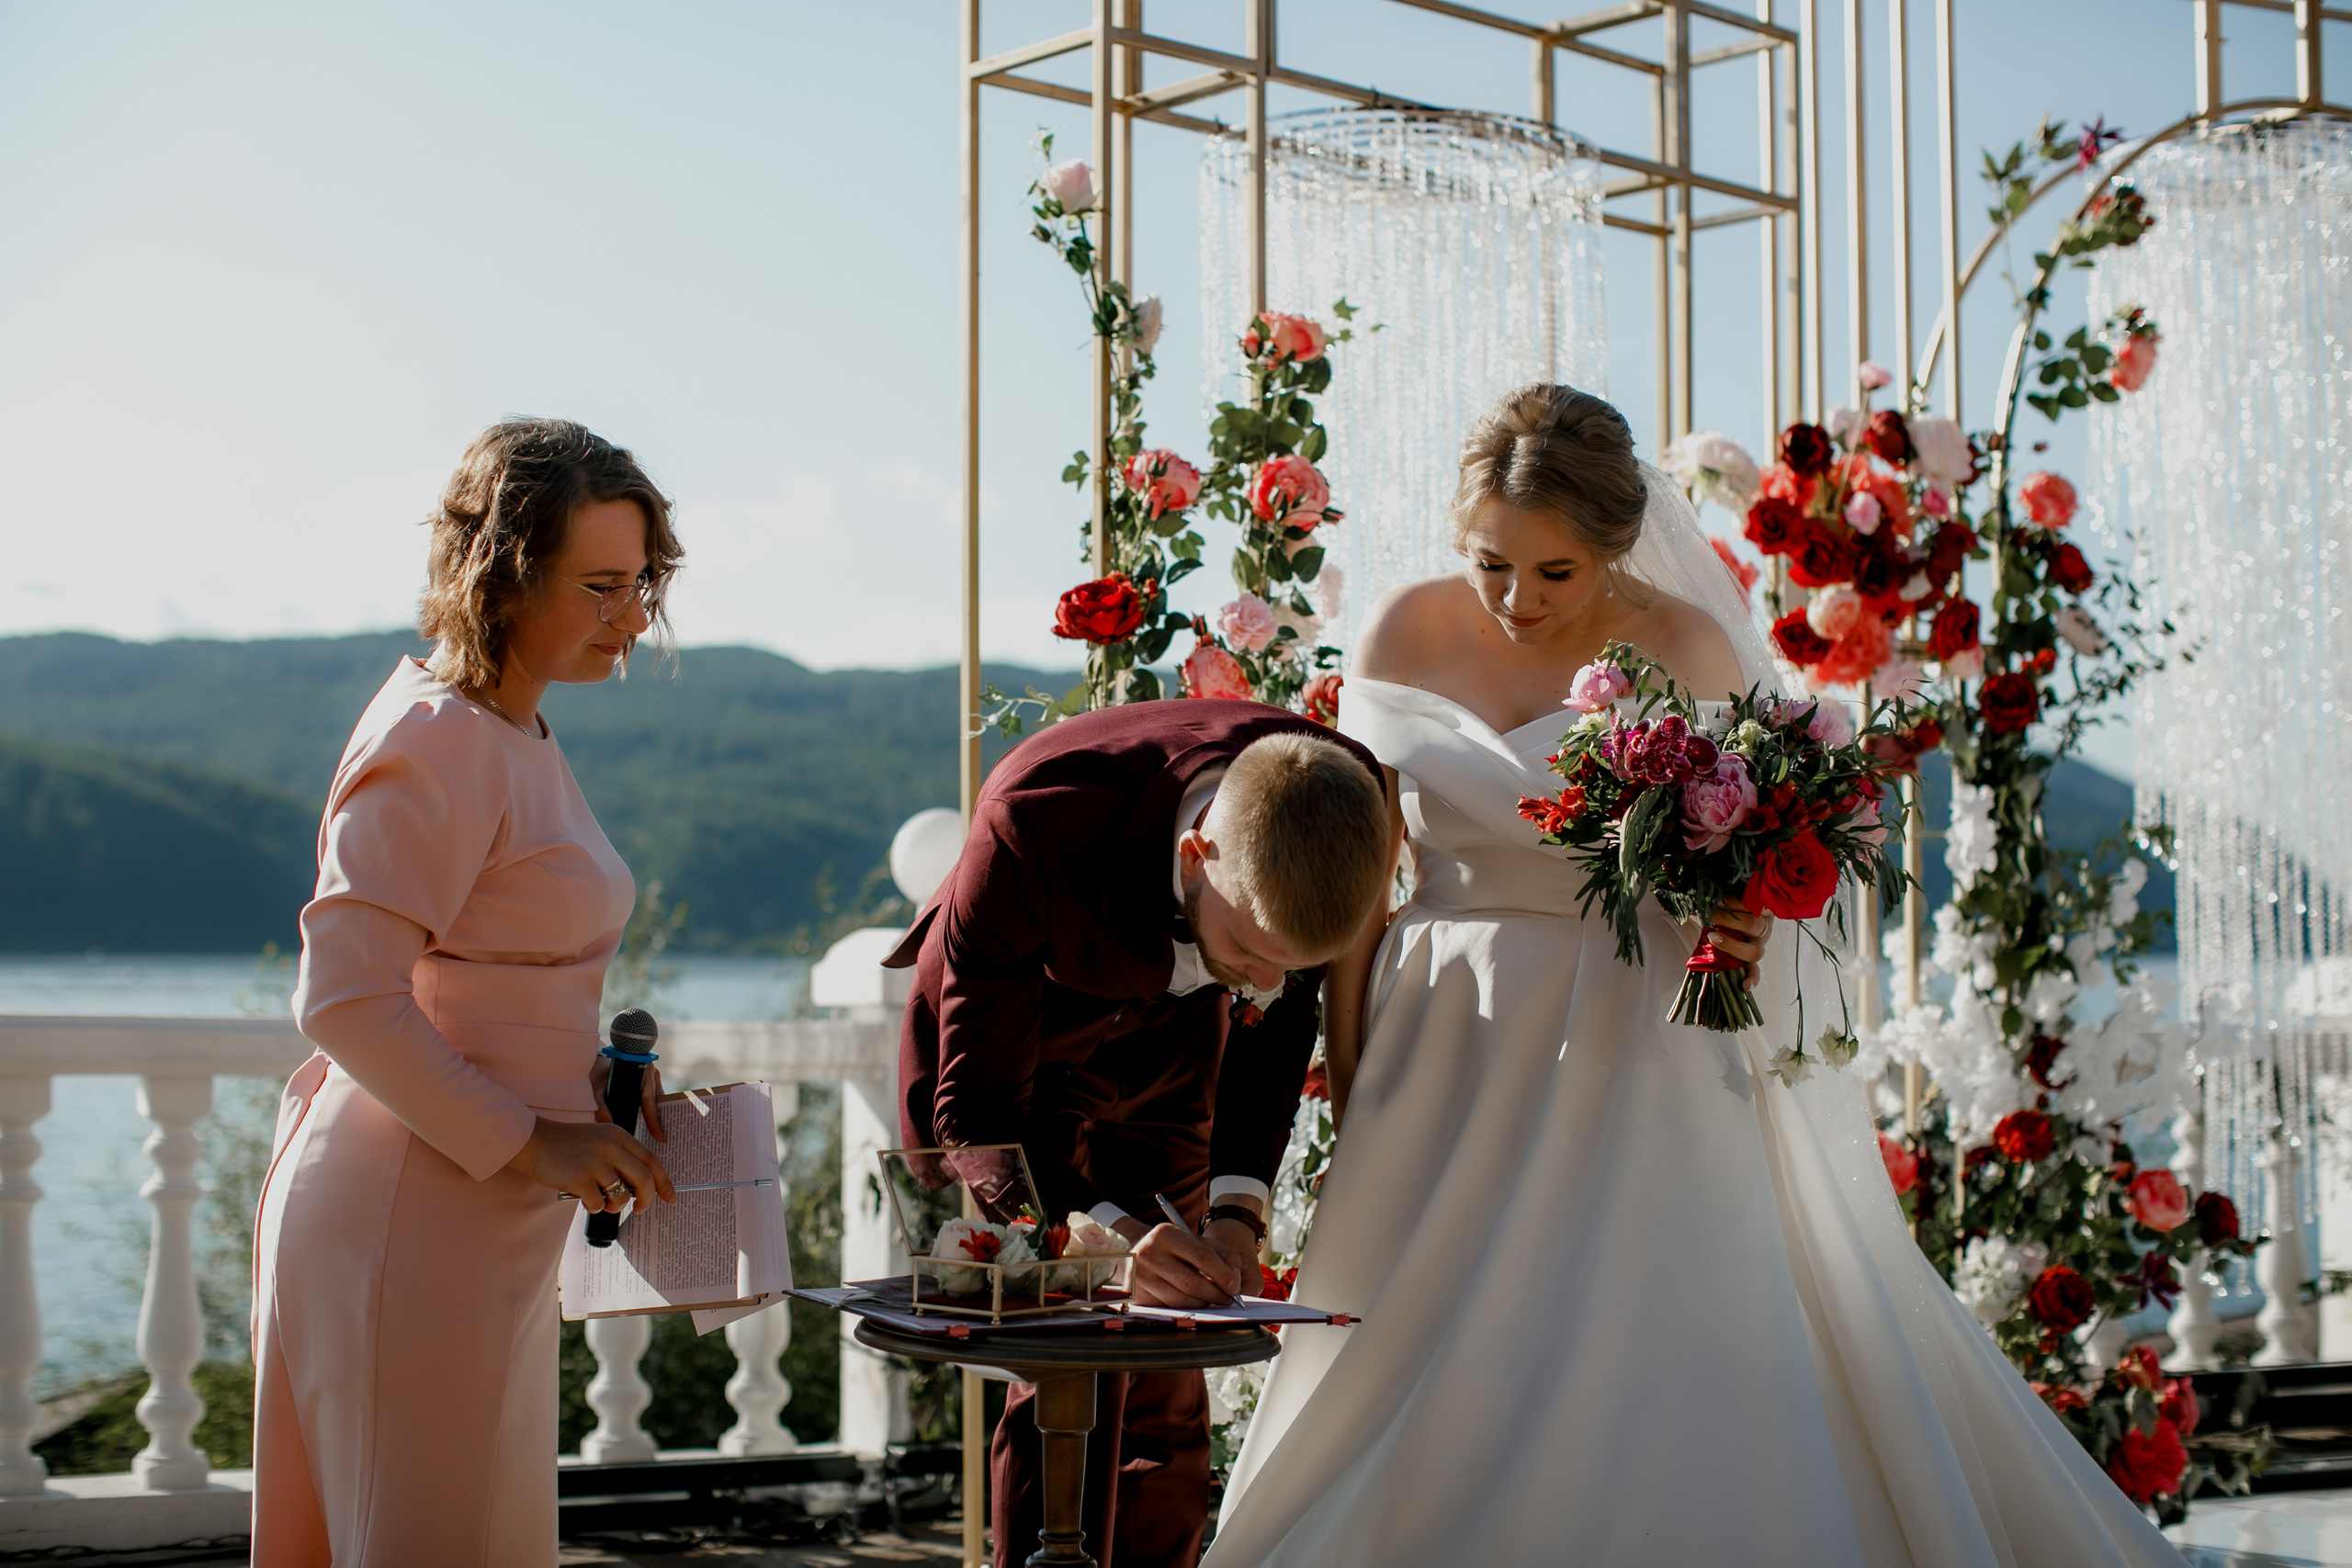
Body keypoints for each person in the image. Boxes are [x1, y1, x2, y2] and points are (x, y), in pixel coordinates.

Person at [1205, 385, 2186, 1567]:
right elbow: (1364, 890)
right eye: (1490, 563)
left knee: (1626, 1336)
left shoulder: (1684, 646)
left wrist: (1742, 914)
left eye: (1555, 573)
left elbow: (1731, 862)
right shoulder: (1403, 632)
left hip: (1633, 1025)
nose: (1517, 601)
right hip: (1442, 1031)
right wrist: (1358, 1072)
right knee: (1413, 1348)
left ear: (1617, 546)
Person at [252, 420, 686, 1568]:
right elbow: (343, 998)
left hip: (482, 1207)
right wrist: (529, 1140)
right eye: (599, 585)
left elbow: (490, 979)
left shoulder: (516, 731)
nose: (632, 614)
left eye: (640, 582)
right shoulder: (440, 733)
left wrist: (592, 1085)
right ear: (500, 572)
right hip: (411, 1203)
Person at [887, 702, 1394, 1568]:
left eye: (1289, 963)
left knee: (1169, 1352)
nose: (1266, 983)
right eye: (1250, 948)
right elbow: (977, 1117)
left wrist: (1237, 1215)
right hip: (1018, 1052)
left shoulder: (1335, 801)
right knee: (1063, 1358)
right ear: (1199, 852)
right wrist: (1110, 1237)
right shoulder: (1032, 826)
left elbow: (1274, 1030)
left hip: (1171, 1047)